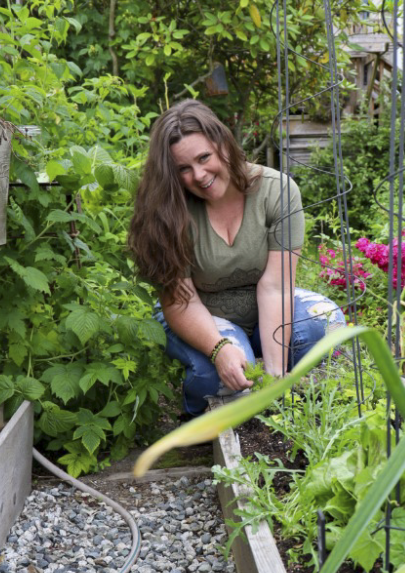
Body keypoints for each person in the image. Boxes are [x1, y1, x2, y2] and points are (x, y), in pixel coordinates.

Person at [128, 100, 345, 417]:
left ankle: (277, 387)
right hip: (195, 313)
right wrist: (219, 349)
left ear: (223, 146)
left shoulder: (276, 192)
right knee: (221, 377)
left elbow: (276, 287)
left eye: (204, 158)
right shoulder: (168, 211)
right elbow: (181, 301)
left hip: (262, 311)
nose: (199, 175)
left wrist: (274, 377)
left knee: (327, 323)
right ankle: (198, 422)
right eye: (183, 169)